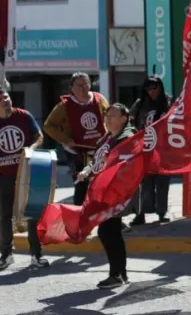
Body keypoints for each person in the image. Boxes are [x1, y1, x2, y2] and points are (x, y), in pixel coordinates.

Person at [0, 88, 50, 271]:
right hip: (2, 175)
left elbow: (39, 136)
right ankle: (6, 254)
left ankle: (36, 254)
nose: (5, 101)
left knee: (32, 213)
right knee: (4, 216)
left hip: (27, 172)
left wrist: (31, 148)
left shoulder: (24, 116)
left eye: (6, 97)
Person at [75, 103, 137, 289]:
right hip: (104, 191)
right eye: (107, 115)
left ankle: (116, 275)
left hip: (116, 192)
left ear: (124, 118)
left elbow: (126, 163)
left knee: (107, 232)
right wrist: (86, 171)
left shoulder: (127, 138)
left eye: (112, 116)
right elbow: (96, 160)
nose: (108, 119)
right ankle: (120, 274)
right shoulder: (108, 137)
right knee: (111, 232)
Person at [43, 72, 109, 206]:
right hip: (76, 151)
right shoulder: (64, 106)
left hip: (99, 148)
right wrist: (65, 140)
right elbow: (48, 126)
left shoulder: (99, 99)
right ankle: (79, 214)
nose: (83, 87)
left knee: (102, 180)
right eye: (79, 85)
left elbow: (109, 118)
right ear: (71, 88)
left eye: (85, 84)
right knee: (81, 182)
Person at [129, 76, 171, 225]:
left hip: (163, 149)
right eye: (148, 89)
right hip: (144, 149)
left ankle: (161, 213)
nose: (151, 91)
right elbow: (130, 121)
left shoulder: (167, 102)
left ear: (160, 87)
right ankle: (140, 214)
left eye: (154, 88)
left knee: (162, 183)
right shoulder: (140, 104)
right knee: (143, 184)